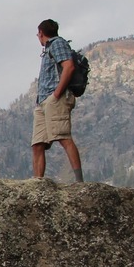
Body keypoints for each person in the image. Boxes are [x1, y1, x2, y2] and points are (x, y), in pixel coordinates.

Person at [31, 19, 84, 182]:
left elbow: (69, 66)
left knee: (63, 137)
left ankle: (79, 182)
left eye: (38, 33)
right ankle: (38, 182)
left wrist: (56, 94)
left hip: (55, 98)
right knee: (38, 144)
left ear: (41, 32)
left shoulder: (57, 44)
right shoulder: (47, 49)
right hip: (43, 101)